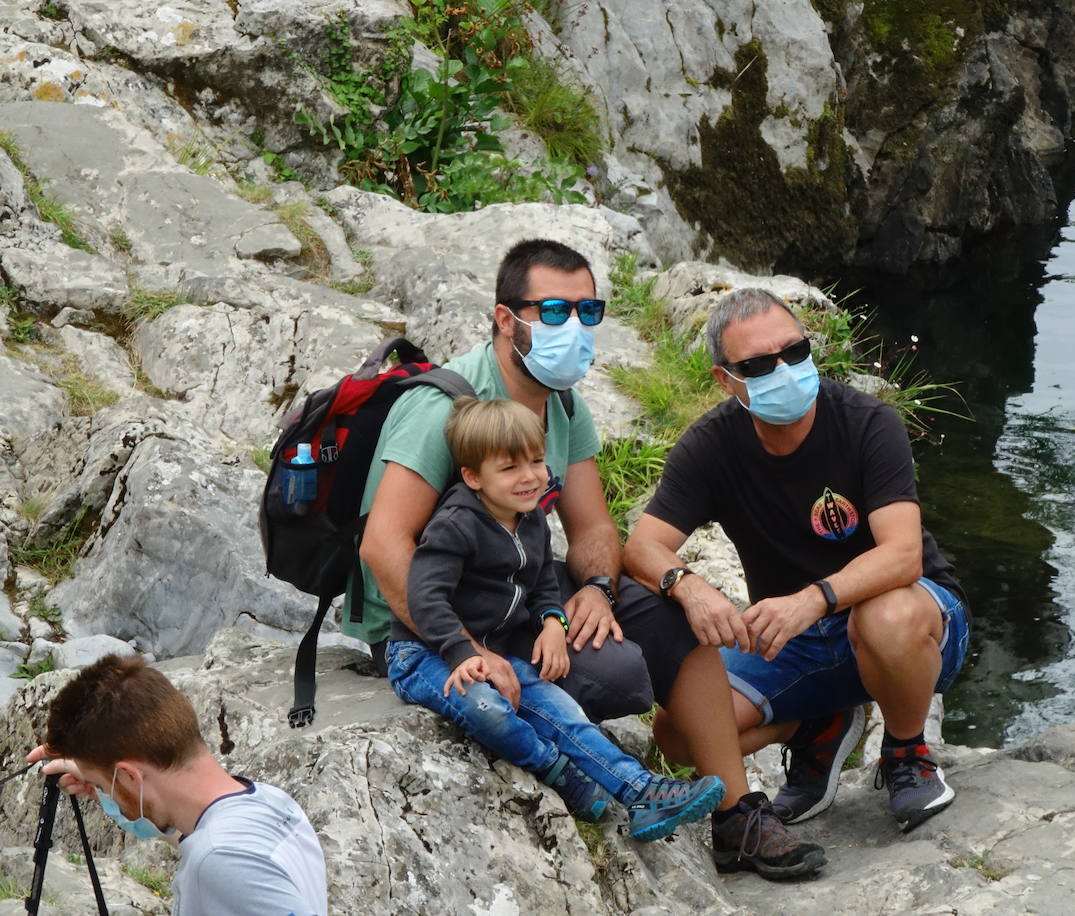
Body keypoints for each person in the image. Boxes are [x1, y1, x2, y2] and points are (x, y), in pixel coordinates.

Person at [346, 239, 826, 878]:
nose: (571, 329)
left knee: (672, 616)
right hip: (432, 629)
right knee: (620, 674)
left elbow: (594, 522)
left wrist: (596, 587)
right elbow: (383, 545)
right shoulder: (444, 407)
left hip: (520, 602)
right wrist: (466, 650)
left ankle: (737, 815)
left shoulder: (563, 401)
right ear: (504, 317)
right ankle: (599, 784)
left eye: (587, 311)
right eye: (551, 311)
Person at [624, 287, 972, 841]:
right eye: (759, 364)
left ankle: (906, 752)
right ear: (725, 380)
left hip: (912, 619)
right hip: (797, 641)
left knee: (881, 618)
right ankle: (819, 725)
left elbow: (903, 555)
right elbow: (642, 546)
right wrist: (687, 585)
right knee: (680, 733)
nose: (783, 370)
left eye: (794, 351)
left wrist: (812, 598)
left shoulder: (866, 421)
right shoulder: (711, 445)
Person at [388, 396, 723, 838]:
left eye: (537, 461)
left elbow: (544, 578)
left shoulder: (529, 518)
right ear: (473, 477)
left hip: (496, 651)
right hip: (426, 653)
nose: (529, 477)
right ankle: (562, 775)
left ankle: (643, 792)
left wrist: (552, 622)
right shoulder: (456, 524)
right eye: (508, 468)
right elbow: (424, 596)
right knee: (487, 709)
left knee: (560, 710)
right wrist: (461, 652)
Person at [25, 653, 327, 915]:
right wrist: (101, 785)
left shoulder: (219, 860)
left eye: (104, 786)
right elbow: (200, 841)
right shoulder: (271, 803)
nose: (108, 798)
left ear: (130, 776)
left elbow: (224, 863)